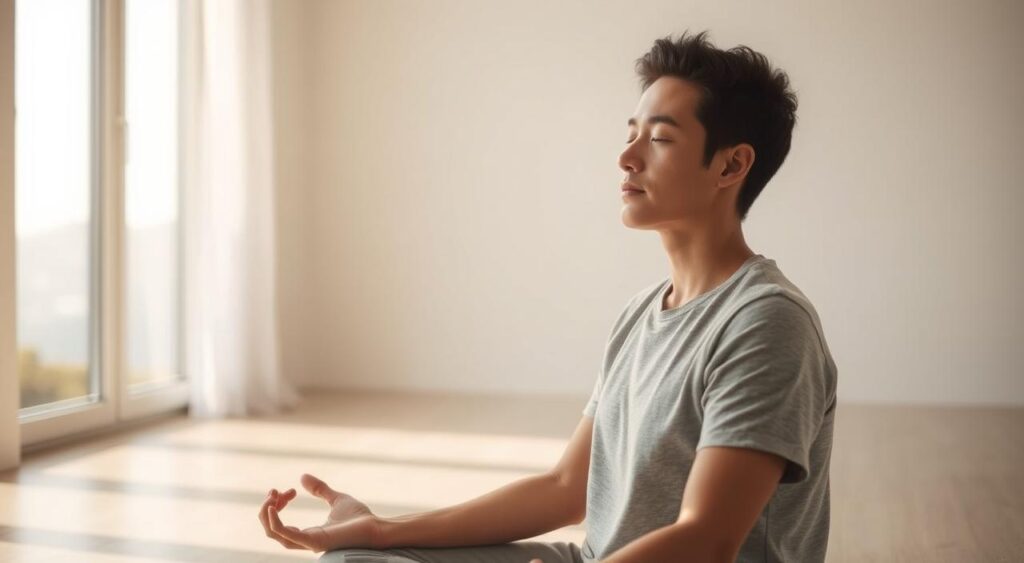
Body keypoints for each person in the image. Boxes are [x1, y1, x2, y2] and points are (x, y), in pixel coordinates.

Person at [258, 29, 838, 563]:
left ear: (732, 165)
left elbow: (708, 538)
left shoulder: (765, 323)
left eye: (660, 138)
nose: (627, 157)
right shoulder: (641, 312)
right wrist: (383, 530)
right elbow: (569, 488)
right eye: (630, 133)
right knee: (356, 560)